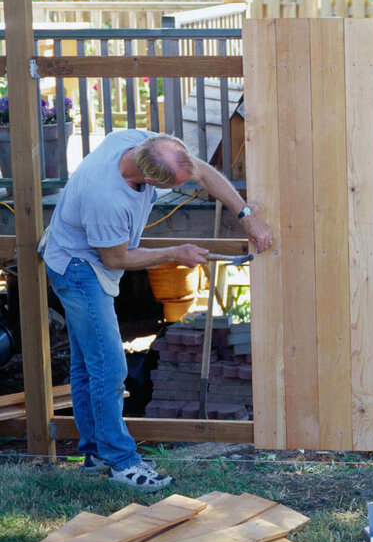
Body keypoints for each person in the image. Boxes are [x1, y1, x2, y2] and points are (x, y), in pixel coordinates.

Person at [39, 130, 272, 492]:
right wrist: (173, 253)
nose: (189, 179)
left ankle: (96, 454)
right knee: (110, 368)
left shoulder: (144, 143)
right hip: (78, 268)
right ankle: (121, 462)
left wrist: (246, 216)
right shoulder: (107, 197)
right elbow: (116, 257)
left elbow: (203, 173)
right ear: (148, 178)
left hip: (81, 257)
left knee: (89, 365)